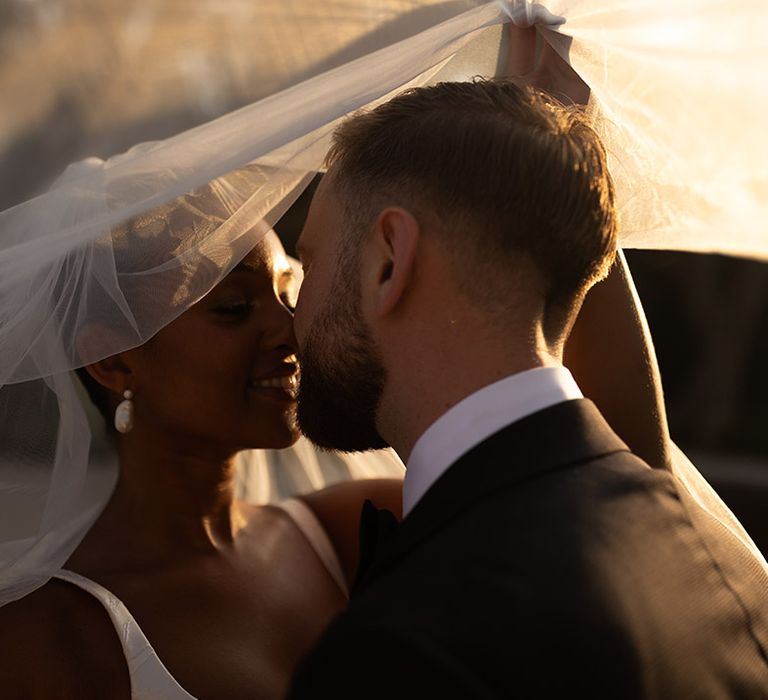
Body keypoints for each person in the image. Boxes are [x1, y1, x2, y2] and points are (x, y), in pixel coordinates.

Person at [287, 77, 768, 698]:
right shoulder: (726, 565)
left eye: (311, 263)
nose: (290, 313)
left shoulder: (403, 650)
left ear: (389, 259)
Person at [0, 174, 403, 699]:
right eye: (234, 307)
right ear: (114, 361)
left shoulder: (357, 528)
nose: (291, 329)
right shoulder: (47, 636)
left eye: (288, 292)